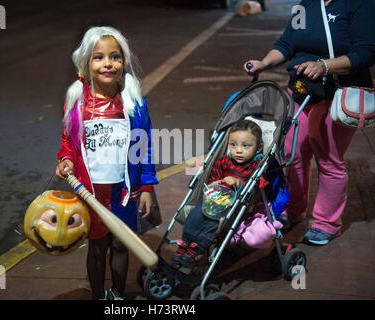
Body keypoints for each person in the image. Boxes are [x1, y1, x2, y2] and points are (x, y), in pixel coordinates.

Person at [244, 0, 375, 246]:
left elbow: (365, 53)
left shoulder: (359, 4)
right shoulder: (307, 5)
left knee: (329, 159)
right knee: (292, 153)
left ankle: (327, 223)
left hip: (336, 94)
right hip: (303, 91)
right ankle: (293, 210)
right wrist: (263, 62)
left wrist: (325, 65)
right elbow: (286, 44)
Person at [55, 26, 158, 299]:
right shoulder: (76, 102)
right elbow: (68, 141)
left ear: (123, 62)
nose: (108, 63)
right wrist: (65, 158)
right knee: (97, 248)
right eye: (98, 57)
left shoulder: (133, 102)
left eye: (115, 57)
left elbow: (143, 146)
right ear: (86, 62)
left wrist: (147, 187)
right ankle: (99, 296)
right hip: (91, 193)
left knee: (121, 246)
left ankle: (118, 296)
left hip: (124, 192)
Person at [171, 120, 283, 269]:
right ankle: (185, 244)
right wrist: (216, 183)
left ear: (259, 148)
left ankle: (198, 249)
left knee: (214, 222)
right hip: (214, 198)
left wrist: (238, 182)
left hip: (237, 204)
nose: (238, 150)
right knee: (196, 213)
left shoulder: (256, 166)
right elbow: (212, 179)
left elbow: (256, 188)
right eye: (233, 145)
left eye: (246, 146)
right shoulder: (223, 161)